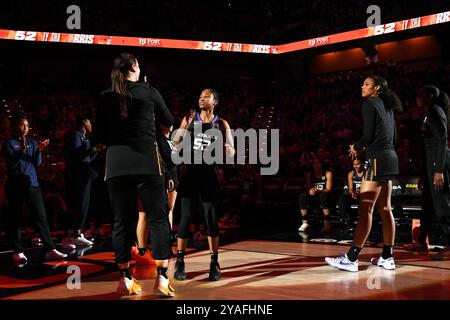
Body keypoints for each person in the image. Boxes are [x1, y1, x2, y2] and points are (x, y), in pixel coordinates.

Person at [95, 52, 175, 296]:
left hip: (117, 166)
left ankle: (125, 278)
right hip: (148, 164)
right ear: (133, 67)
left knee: (120, 221)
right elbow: (169, 122)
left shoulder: (105, 96)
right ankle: (162, 280)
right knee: (158, 219)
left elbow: (98, 138)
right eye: (138, 64)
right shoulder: (149, 91)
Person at [325, 75, 402, 272]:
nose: (362, 87)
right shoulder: (388, 105)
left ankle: (351, 258)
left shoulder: (370, 103)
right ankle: (387, 257)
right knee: (385, 209)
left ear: (376, 88)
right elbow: (394, 136)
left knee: (365, 209)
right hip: (391, 157)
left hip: (377, 159)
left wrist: (355, 147)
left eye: (366, 84)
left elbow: (367, 136)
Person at [172, 88, 235, 281]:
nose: (201, 98)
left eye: (206, 96)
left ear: (215, 101)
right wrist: (184, 127)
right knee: (185, 217)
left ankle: (214, 262)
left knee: (211, 217)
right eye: (200, 96)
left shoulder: (222, 123)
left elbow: (232, 152)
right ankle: (180, 261)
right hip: (190, 172)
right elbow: (175, 143)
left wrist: (227, 149)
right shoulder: (190, 119)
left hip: (210, 173)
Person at [2, 111, 67, 264]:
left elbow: (36, 163)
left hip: (32, 183)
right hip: (16, 184)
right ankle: (17, 251)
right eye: (22, 125)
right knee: (16, 218)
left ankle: (50, 249)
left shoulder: (32, 141)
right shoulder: (8, 143)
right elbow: (12, 163)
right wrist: (23, 150)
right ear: (14, 127)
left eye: (27, 125)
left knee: (41, 217)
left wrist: (39, 150)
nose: (25, 128)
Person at [403, 85, 450, 260]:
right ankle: (421, 243)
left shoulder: (436, 111)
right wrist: (425, 173)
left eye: (420, 94)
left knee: (442, 206)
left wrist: (438, 170)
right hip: (431, 166)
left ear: (430, 96)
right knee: (428, 206)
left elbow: (442, 140)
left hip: (439, 165)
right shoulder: (428, 113)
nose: (417, 97)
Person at [62, 117, 97, 249]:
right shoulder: (76, 135)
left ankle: (77, 232)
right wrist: (91, 150)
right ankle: (72, 235)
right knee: (78, 202)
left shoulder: (84, 137)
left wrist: (95, 151)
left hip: (84, 173)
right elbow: (77, 155)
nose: (91, 125)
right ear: (84, 124)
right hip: (77, 175)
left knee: (83, 203)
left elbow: (86, 158)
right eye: (89, 122)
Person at [298, 158, 334, 233]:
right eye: (314, 163)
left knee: (323, 195)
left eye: (318, 163)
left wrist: (318, 191)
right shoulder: (309, 174)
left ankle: (327, 223)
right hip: (314, 196)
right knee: (302, 196)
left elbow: (328, 189)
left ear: (321, 164)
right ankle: (305, 222)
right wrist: (311, 190)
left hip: (325, 195)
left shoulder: (327, 173)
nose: (316, 165)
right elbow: (309, 187)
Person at [337, 159, 364, 232]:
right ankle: (347, 222)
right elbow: (350, 188)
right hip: (355, 194)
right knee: (342, 199)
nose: (356, 166)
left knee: (363, 200)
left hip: (365, 194)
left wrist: (359, 191)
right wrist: (352, 192)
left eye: (357, 164)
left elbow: (367, 187)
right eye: (354, 164)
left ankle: (363, 224)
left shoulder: (367, 173)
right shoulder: (351, 174)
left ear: (362, 164)